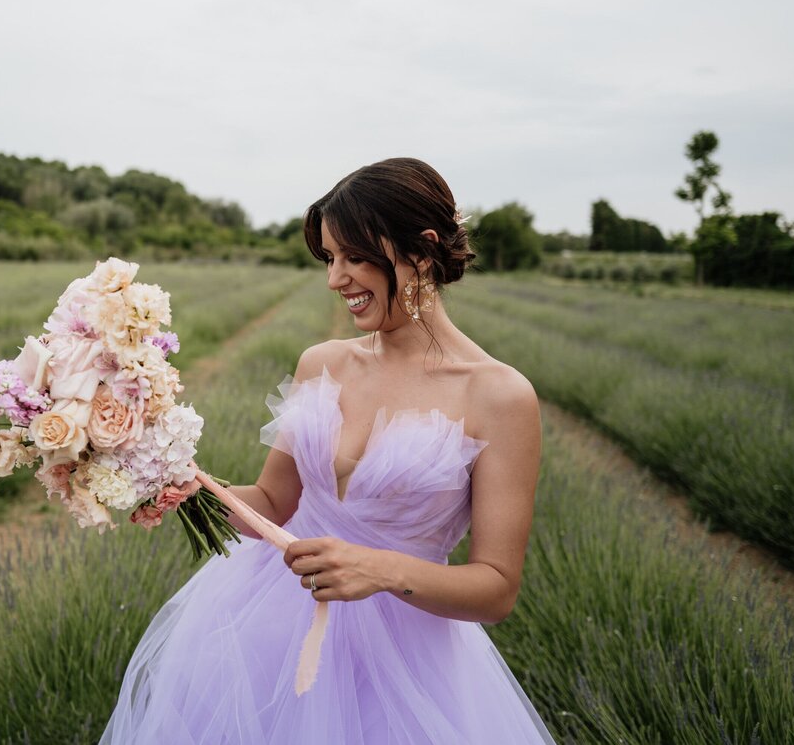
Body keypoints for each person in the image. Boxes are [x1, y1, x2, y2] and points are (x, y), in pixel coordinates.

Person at [100, 158, 554, 744]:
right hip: (268, 619)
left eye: (354, 256)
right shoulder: (322, 363)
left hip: (406, 660)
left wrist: (379, 568)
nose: (335, 279)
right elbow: (272, 501)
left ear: (422, 249)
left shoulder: (499, 395)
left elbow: (497, 587)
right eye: (330, 259)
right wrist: (184, 484)